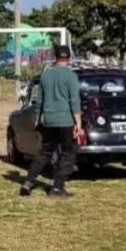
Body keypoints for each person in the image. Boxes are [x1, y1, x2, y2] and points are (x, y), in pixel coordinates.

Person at [20, 45, 84, 199]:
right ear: (69, 58)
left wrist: (37, 118)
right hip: (66, 120)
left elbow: (39, 100)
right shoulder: (71, 76)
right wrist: (79, 124)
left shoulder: (45, 75)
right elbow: (74, 101)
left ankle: (29, 181)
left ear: (55, 57)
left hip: (48, 120)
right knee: (68, 153)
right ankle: (57, 188)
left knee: (45, 152)